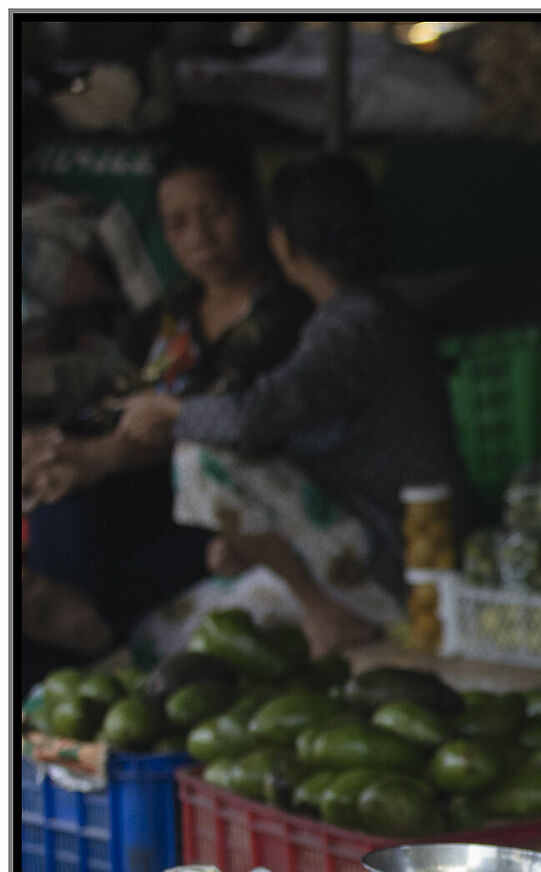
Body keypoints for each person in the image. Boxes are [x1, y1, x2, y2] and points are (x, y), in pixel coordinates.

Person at [116, 154, 463, 656]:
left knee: (200, 456)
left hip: (397, 561)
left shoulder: (354, 323)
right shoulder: (359, 313)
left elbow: (252, 418)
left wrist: (173, 412)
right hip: (370, 546)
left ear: (280, 241)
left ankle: (324, 612)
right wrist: (251, 542)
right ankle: (321, 605)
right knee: (158, 638)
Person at [20, 138, 312, 670]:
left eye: (214, 212)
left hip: (244, 493)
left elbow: (238, 422)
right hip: (157, 496)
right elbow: (103, 410)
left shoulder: (291, 311)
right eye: (177, 224)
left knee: (84, 536)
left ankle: (78, 651)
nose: (198, 236)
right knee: (62, 501)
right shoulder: (164, 318)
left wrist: (106, 457)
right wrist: (49, 452)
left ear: (250, 207)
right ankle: (68, 657)